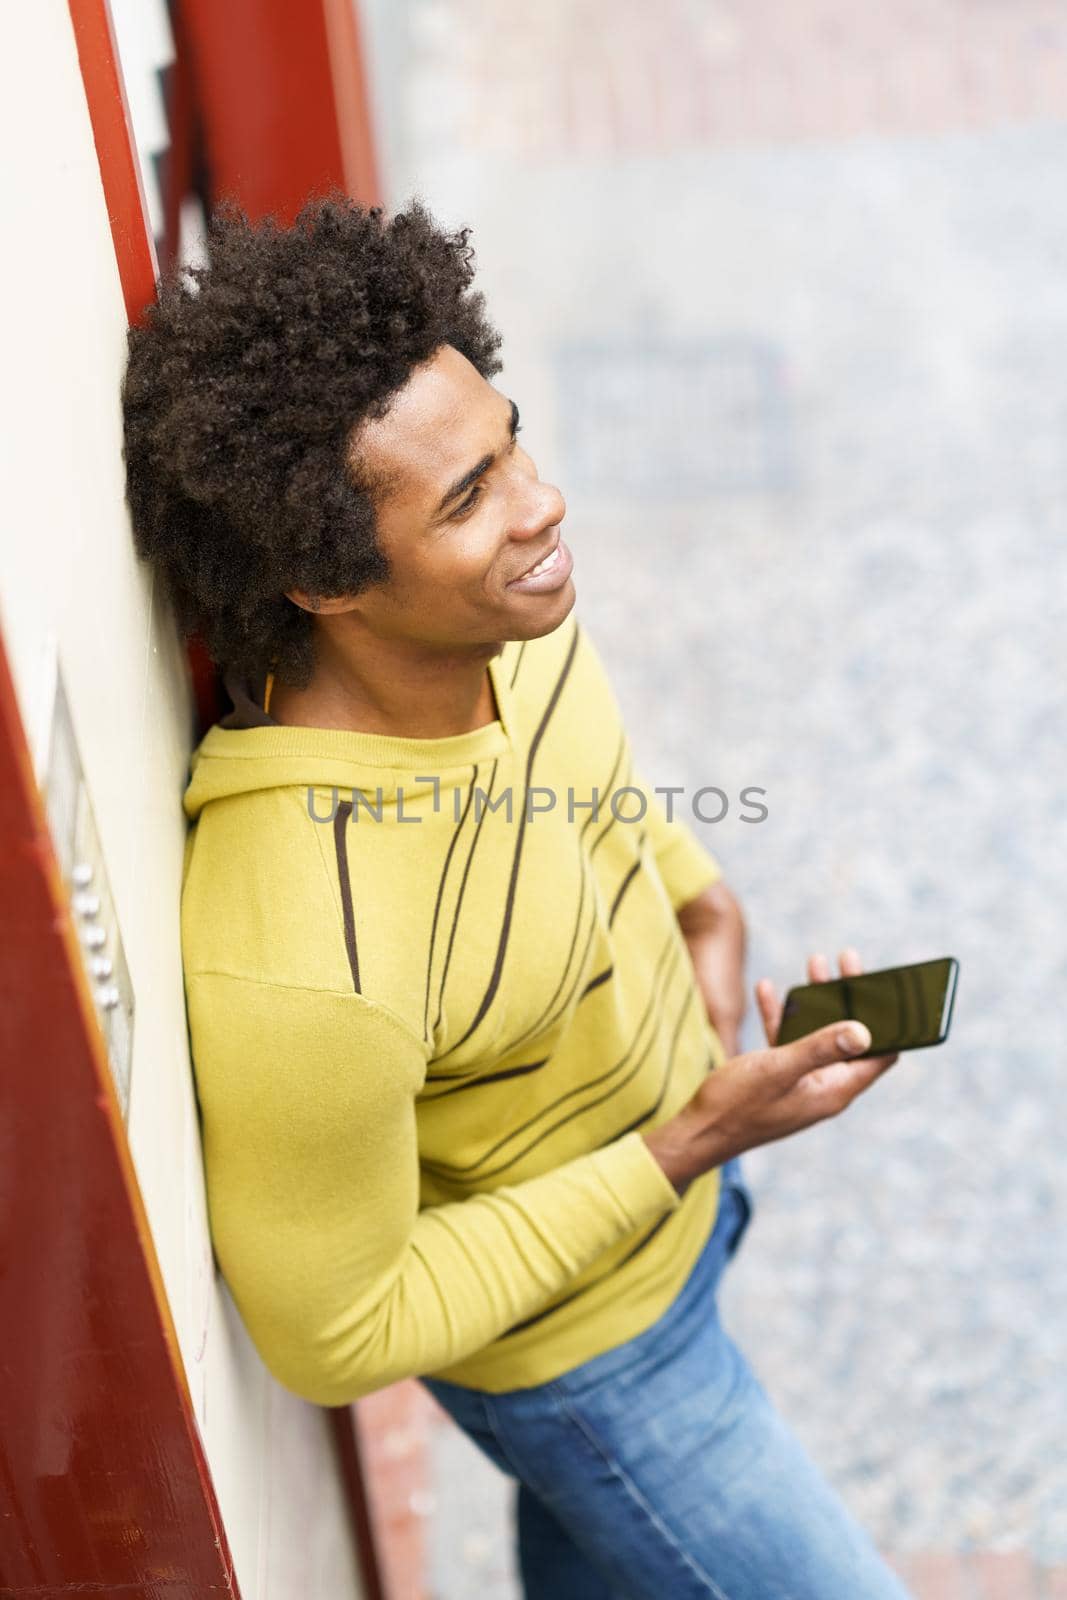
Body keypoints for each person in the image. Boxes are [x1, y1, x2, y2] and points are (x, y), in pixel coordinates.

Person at [123, 194, 913, 1599]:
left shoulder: (501, 614)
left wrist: (702, 907)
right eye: (469, 497)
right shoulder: (312, 955)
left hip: (684, 1207)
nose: (543, 505)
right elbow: (338, 1328)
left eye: (510, 441)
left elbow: (584, 785)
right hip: (597, 1364)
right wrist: (684, 1141)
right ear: (322, 579)